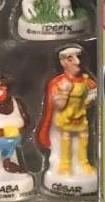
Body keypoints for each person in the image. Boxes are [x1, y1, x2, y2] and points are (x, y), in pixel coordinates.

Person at [37, 45, 97, 176]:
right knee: (66, 138)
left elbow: (94, 91)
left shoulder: (85, 80)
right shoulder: (59, 82)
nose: (77, 62)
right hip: (66, 116)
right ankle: (65, 163)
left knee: (84, 137)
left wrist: (88, 100)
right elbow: (58, 105)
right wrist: (65, 92)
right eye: (71, 59)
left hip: (80, 116)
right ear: (63, 62)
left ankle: (84, 162)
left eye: (78, 57)